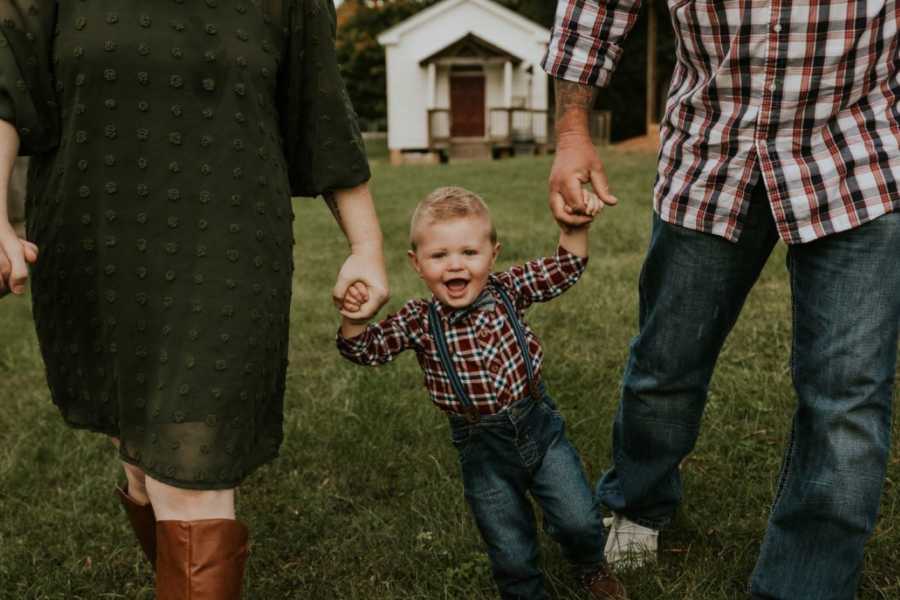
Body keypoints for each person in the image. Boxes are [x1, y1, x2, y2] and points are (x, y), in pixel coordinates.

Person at [0, 1, 388, 597]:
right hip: (94, 243)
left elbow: (321, 114)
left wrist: (366, 245)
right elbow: (7, 81)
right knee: (140, 453)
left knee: (190, 464)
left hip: (229, 255)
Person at [542, 1, 900, 598]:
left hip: (857, 150)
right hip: (711, 151)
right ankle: (639, 501)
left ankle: (803, 582)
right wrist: (573, 132)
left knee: (848, 396)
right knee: (667, 361)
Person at [336, 186, 627, 600]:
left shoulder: (508, 289)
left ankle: (590, 567)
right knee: (507, 544)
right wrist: (354, 317)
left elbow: (562, 270)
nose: (455, 265)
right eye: (439, 256)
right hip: (481, 448)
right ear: (417, 264)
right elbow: (365, 349)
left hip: (538, 426)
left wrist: (572, 228)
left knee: (579, 518)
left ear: (493, 254)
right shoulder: (419, 320)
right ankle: (524, 592)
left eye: (469, 253)